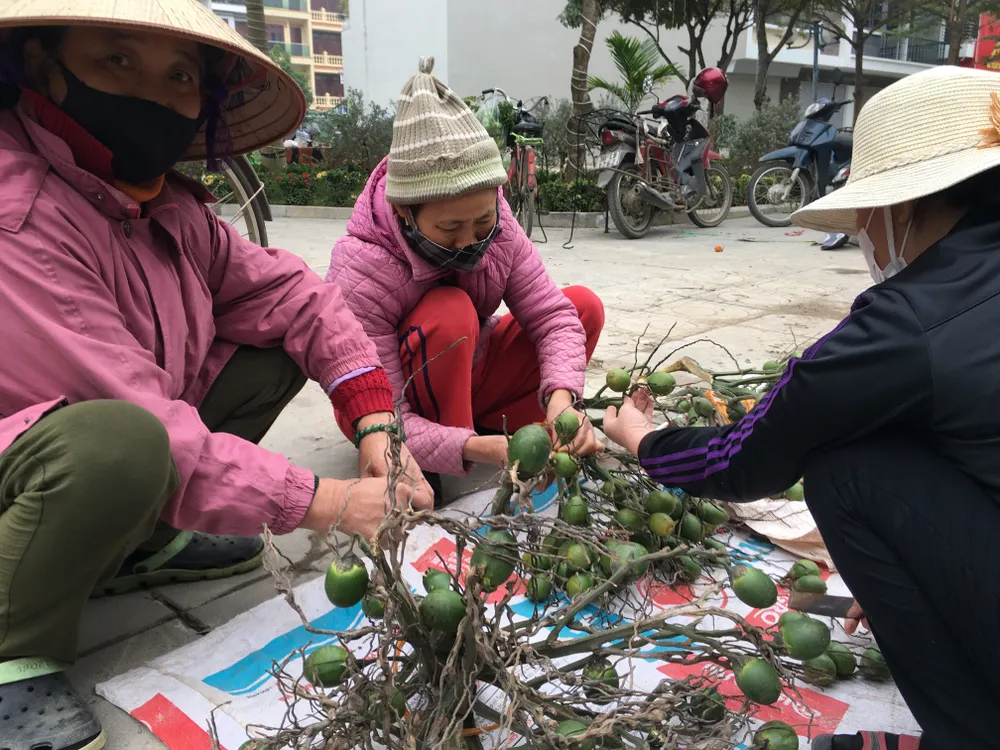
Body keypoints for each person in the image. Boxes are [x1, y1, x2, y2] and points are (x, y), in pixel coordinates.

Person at [0, 3, 432, 747]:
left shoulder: (166, 208)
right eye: (118, 61)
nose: (156, 95)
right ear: (45, 68)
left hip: (120, 435)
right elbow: (149, 423)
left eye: (179, 76)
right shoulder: (22, 217)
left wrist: (376, 421)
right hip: (30, 463)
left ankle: (145, 539)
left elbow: (295, 296)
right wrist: (328, 502)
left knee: (271, 354)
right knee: (120, 446)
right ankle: (13, 650)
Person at [603, 65, 1000, 750]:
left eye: (863, 220)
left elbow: (751, 455)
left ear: (899, 209)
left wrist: (644, 440)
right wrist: (917, 574)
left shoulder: (910, 321)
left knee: (847, 469)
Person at [327, 58, 605, 498]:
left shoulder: (500, 224)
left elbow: (553, 317)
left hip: (470, 372)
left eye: (481, 222)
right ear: (404, 212)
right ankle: (450, 451)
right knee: (450, 313)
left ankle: (497, 429)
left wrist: (562, 401)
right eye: (449, 229)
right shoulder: (361, 266)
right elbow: (384, 411)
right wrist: (473, 448)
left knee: (582, 306)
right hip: (395, 406)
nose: (470, 241)